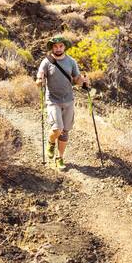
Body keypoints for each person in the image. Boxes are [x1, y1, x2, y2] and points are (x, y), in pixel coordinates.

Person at [36, 36, 89, 170]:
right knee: (57, 129)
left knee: (65, 132)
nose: (58, 49)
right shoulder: (46, 62)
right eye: (55, 46)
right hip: (53, 100)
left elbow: (76, 79)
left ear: (64, 47)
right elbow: (38, 80)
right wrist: (40, 80)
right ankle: (51, 141)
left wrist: (83, 81)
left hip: (68, 100)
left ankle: (60, 158)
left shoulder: (71, 61)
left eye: (60, 46)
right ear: (52, 48)